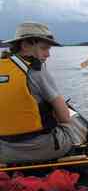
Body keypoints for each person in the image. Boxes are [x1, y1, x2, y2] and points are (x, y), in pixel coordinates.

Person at [0, 22, 75, 163]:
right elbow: (65, 117)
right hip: (44, 149)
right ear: (26, 45)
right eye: (44, 48)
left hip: (5, 153)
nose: (48, 55)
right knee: (72, 123)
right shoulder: (36, 70)